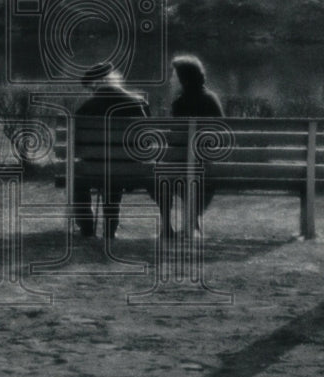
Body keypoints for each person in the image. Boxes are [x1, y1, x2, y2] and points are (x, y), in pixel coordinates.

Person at [73, 61, 149, 241]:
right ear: (114, 78)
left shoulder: (86, 108)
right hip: (129, 168)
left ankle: (86, 227)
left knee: (78, 178)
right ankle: (110, 228)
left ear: (96, 84)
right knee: (116, 172)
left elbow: (75, 147)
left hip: (94, 168)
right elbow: (146, 142)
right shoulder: (137, 103)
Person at [165, 54, 224, 237]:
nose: (170, 79)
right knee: (194, 173)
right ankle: (193, 223)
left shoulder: (180, 104)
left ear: (183, 78)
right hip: (213, 166)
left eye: (173, 75)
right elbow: (222, 137)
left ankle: (170, 227)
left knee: (165, 176)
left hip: (188, 166)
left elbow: (176, 141)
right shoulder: (212, 98)